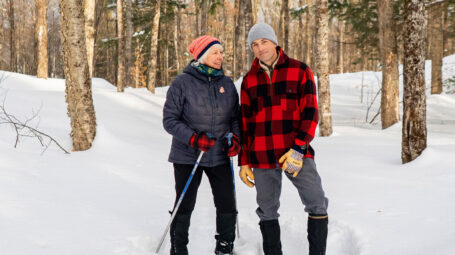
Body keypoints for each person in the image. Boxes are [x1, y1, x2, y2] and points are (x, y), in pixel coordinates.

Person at [238, 23, 329, 255]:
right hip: (261, 155)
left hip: (294, 152)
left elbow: (311, 112)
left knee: (317, 202)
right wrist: (244, 160)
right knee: (266, 210)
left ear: (275, 42)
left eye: (264, 42)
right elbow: (245, 124)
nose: (260, 48)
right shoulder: (248, 80)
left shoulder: (299, 70)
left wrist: (299, 149)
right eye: (255, 45)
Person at [163, 35, 241, 255]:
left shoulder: (226, 83)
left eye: (222, 52)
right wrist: (194, 138)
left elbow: (235, 117)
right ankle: (179, 249)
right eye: (215, 52)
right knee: (185, 203)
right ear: (202, 55)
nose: (221, 57)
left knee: (227, 203)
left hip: (220, 154)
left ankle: (225, 248)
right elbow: (170, 120)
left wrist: (235, 138)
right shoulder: (182, 83)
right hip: (188, 155)